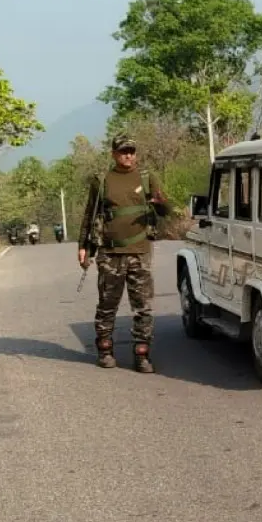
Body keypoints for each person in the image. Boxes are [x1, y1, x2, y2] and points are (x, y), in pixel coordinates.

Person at [77, 133, 169, 372]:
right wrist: (84, 247)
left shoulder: (148, 178)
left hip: (140, 252)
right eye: (123, 151)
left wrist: (161, 204)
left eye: (132, 151)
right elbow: (90, 214)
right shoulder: (102, 180)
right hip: (110, 253)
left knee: (143, 306)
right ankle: (105, 350)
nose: (128, 155)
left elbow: (165, 211)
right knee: (107, 304)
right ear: (114, 154)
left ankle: (142, 354)